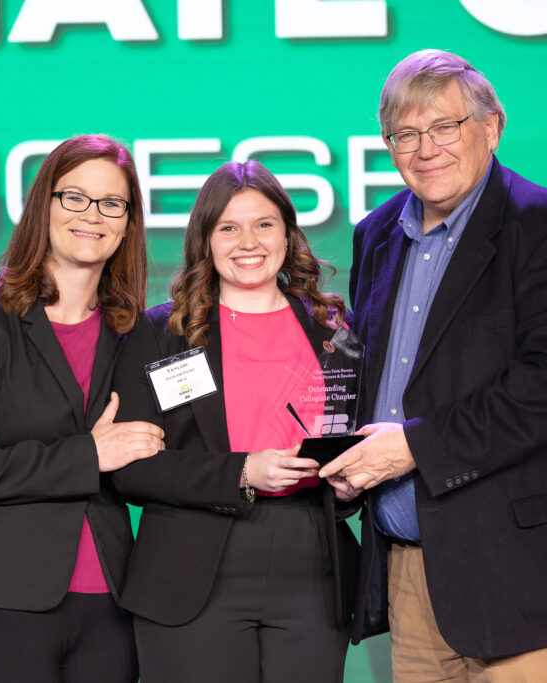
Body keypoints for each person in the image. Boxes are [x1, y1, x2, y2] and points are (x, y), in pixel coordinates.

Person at [319, 48, 547, 680]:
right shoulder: (376, 235)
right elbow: (375, 381)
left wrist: (412, 450)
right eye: (405, 134)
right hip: (414, 574)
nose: (425, 148)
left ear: (490, 127)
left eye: (444, 127)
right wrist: (351, 461)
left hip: (530, 579)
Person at [0, 134, 162, 683]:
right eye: (74, 197)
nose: (92, 215)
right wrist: (88, 456)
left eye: (111, 203)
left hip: (110, 606)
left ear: (128, 221)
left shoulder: (134, 333)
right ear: (43, 206)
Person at [110, 160, 359, 683]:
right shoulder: (163, 331)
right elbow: (131, 468)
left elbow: (354, 437)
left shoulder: (332, 328)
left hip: (313, 567)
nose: (249, 241)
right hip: (192, 571)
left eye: (264, 224)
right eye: (228, 227)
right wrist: (242, 471)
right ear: (205, 239)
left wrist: (351, 481)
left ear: (288, 236)